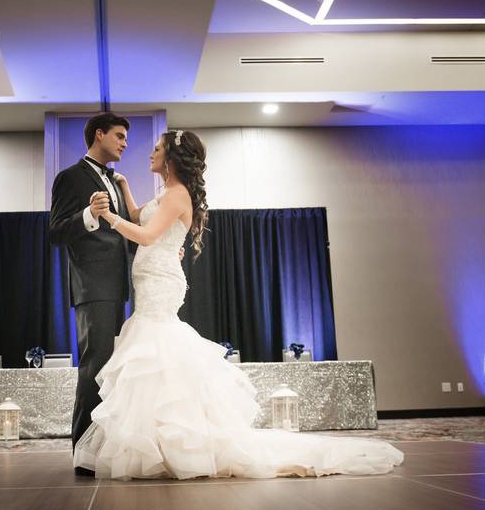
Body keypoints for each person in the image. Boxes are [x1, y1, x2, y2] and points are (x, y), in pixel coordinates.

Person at [73, 129, 404, 480]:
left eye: (156, 149)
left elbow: (147, 235)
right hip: (152, 278)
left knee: (157, 351)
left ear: (170, 158)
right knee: (155, 355)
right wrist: (123, 188)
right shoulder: (167, 194)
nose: (149, 153)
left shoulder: (177, 194)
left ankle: (174, 446)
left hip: (160, 284)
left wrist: (109, 217)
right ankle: (164, 445)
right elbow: (141, 216)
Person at [48, 112, 133, 476]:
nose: (125, 143)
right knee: (94, 368)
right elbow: (54, 233)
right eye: (119, 136)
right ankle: (82, 456)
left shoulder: (115, 180)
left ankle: (104, 448)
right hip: (92, 286)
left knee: (111, 371)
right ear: (98, 135)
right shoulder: (69, 177)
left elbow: (125, 233)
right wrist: (87, 214)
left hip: (118, 287)